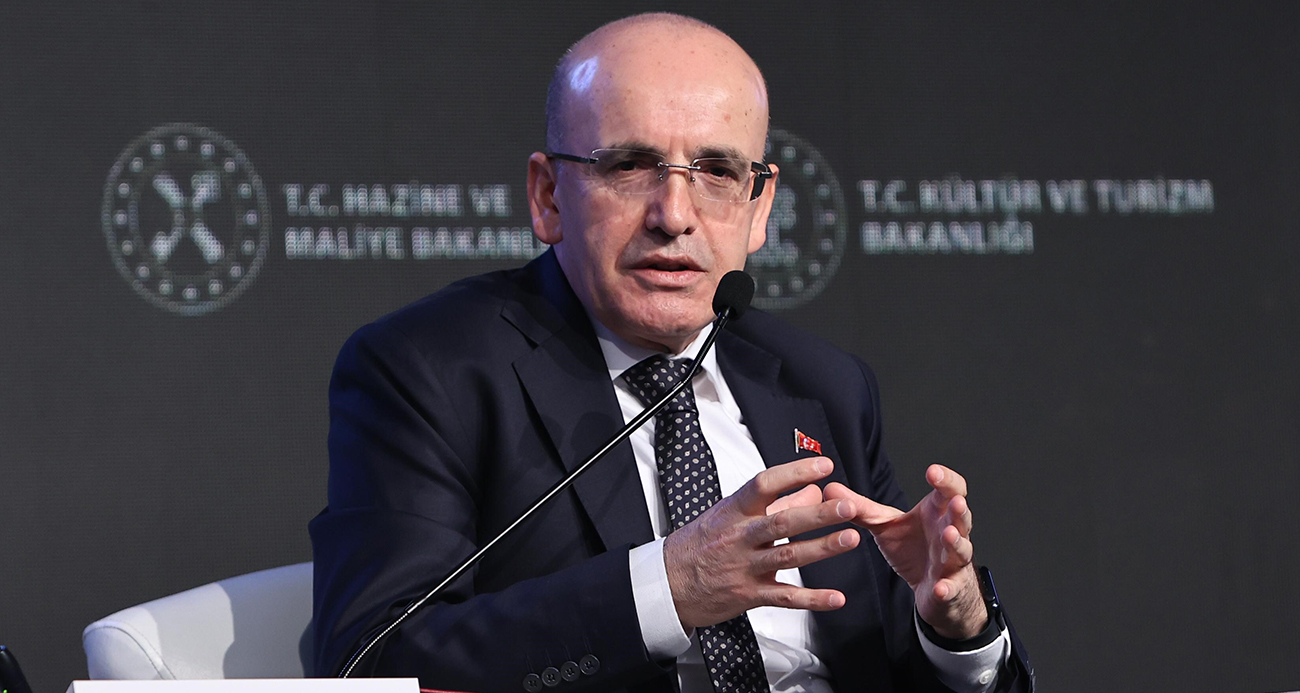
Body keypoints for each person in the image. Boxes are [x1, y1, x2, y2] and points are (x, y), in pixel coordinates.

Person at [311, 12, 1033, 693]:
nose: (675, 216)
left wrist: (958, 627)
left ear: (759, 207)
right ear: (548, 196)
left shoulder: (823, 384)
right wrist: (672, 587)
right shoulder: (429, 369)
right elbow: (372, 657)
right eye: (631, 165)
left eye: (717, 172)